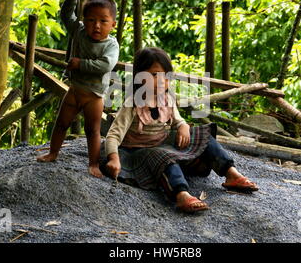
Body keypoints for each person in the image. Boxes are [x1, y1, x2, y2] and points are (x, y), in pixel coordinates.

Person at [104, 47, 258, 213]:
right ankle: (181, 194)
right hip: (137, 152)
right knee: (163, 156)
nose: (162, 81)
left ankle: (231, 173)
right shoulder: (132, 103)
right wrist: (113, 158)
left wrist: (183, 127)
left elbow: (178, 120)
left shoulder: (167, 98)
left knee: (202, 133)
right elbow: (113, 135)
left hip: (162, 143)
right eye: (155, 75)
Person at [37, 0, 119, 178]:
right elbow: (66, 16)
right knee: (61, 123)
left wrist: (80, 64)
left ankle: (93, 164)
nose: (96, 26)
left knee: (93, 130)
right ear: (84, 20)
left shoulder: (111, 45)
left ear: (113, 24)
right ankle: (53, 152)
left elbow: (105, 66)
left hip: (94, 96)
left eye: (103, 21)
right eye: (91, 20)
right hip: (74, 90)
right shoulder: (79, 31)